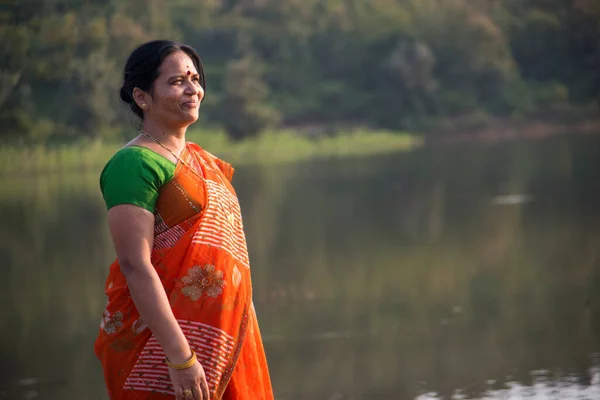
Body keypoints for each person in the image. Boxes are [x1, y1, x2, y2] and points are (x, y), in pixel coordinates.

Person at [94, 40, 274, 400]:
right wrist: (181, 359)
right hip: (163, 347)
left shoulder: (201, 161)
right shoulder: (135, 164)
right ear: (143, 97)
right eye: (177, 81)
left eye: (194, 78)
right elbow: (135, 265)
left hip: (228, 337)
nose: (193, 89)